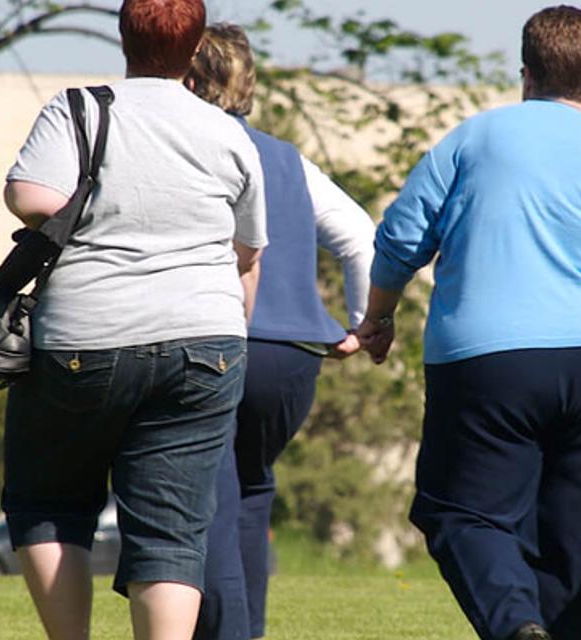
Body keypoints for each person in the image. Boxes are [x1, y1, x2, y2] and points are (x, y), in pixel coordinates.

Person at [355, 7, 581, 640]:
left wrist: (379, 316)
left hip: (489, 361)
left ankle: (516, 623)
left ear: (525, 71)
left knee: (462, 513)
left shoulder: (471, 141)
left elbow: (401, 238)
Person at [0, 1, 268, 638]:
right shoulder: (225, 131)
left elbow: (27, 196)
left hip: (84, 337)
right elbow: (248, 250)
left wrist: (92, 210)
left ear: (123, 37)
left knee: (50, 503)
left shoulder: (77, 109)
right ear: (195, 48)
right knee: (172, 531)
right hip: (205, 341)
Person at [182, 23, 375, 640]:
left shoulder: (180, 146)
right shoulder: (288, 159)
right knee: (251, 491)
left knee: (207, 499)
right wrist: (361, 324)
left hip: (214, 346)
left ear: (189, 79)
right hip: (292, 357)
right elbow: (361, 237)